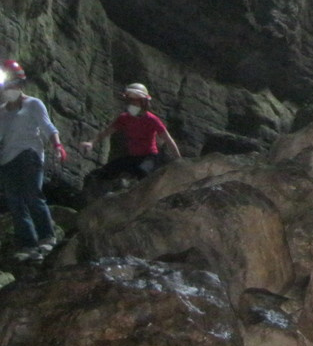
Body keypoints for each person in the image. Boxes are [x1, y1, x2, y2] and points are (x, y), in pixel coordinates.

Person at [0, 59, 67, 262]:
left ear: (21, 84)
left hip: (30, 154)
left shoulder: (33, 104)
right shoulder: (1, 112)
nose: (9, 89)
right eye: (6, 86)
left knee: (32, 195)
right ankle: (27, 244)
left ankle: (47, 237)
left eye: (13, 85)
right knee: (15, 202)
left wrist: (57, 146)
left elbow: (48, 127)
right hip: (8, 159)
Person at [80, 82, 181, 185]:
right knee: (101, 174)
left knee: (142, 173)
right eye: (129, 101)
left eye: (134, 102)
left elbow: (168, 140)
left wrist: (179, 159)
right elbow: (106, 132)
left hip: (150, 157)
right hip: (132, 157)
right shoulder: (124, 118)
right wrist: (91, 143)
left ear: (143, 102)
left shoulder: (152, 120)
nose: (131, 104)